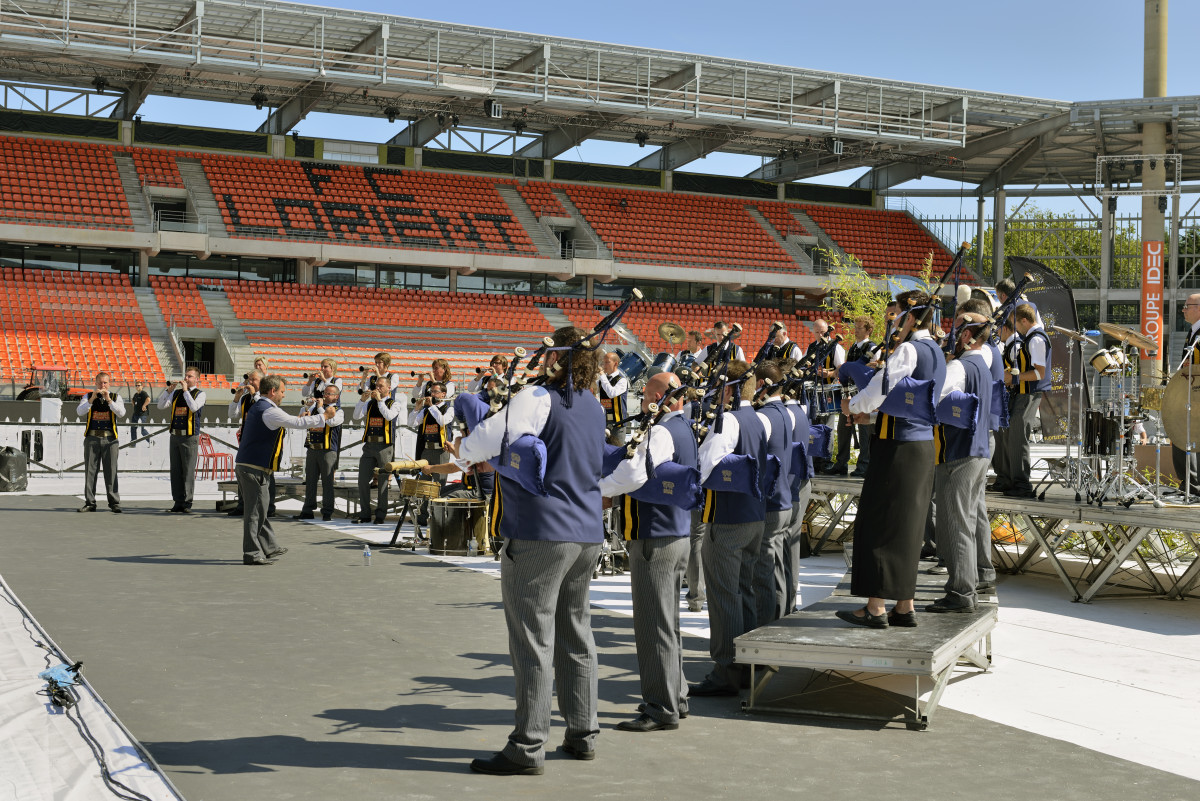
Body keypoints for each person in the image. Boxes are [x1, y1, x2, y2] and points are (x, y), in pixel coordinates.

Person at [454, 326, 605, 776]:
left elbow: (482, 443)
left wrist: (470, 445)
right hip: (587, 532)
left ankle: (528, 746)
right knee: (577, 636)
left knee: (533, 641)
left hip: (541, 532)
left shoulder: (535, 398)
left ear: (553, 356)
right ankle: (583, 733)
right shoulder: (594, 406)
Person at [836, 289, 944, 629]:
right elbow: (910, 402)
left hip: (897, 447)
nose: (893, 321)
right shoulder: (937, 351)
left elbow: (883, 387)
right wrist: (872, 417)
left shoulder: (909, 348)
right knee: (908, 527)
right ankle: (904, 605)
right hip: (921, 445)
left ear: (910, 317)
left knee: (881, 523)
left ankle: (875, 607)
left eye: (898, 314)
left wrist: (853, 407)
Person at [599, 372, 697, 732]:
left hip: (655, 533)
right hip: (674, 531)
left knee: (653, 623)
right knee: (667, 622)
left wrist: (601, 490)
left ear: (658, 395)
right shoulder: (684, 427)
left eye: (646, 395)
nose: (641, 400)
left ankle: (661, 706)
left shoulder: (660, 430)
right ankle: (677, 695)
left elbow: (635, 475)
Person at [688, 360, 770, 697]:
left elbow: (705, 466)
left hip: (728, 516)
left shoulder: (729, 420)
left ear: (730, 390)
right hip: (754, 515)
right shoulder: (760, 419)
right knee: (744, 591)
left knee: (723, 596)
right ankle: (749, 665)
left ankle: (725, 670)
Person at [926, 312, 994, 614]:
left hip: (958, 451)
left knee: (956, 525)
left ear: (966, 336)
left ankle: (961, 592)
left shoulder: (959, 366)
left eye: (957, 331)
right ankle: (966, 587)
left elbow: (932, 399)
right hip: (978, 449)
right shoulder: (984, 361)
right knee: (965, 522)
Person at [236, 375, 336, 565]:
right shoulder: (268, 410)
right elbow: (297, 424)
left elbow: (291, 421)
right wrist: (325, 416)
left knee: (261, 508)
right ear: (273, 391)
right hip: (253, 468)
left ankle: (269, 547)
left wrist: (303, 418)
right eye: (282, 391)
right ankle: (252, 553)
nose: (283, 395)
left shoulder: (263, 407)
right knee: (255, 512)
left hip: (254, 466)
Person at [751, 360, 794, 627]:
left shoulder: (763, 416)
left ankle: (767, 628)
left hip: (770, 502)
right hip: (785, 499)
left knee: (764, 573)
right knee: (779, 569)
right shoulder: (787, 413)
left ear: (760, 385)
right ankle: (782, 621)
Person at [1003, 303, 1050, 499]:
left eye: (1016, 324)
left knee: (1018, 435)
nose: (1015, 329)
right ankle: (1017, 482)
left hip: (1029, 393)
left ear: (1024, 320)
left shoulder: (1036, 339)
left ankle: (1022, 484)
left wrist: (1014, 378)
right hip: (1025, 392)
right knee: (1015, 434)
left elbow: (1040, 372)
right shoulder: (1032, 338)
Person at [827, 316, 877, 477]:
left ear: (869, 330)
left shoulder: (873, 348)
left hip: (863, 393)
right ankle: (841, 462)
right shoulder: (854, 347)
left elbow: (875, 369)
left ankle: (864, 465)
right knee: (843, 427)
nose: (856, 330)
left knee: (864, 430)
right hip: (849, 392)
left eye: (860, 328)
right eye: (855, 327)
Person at [782, 368, 813, 616]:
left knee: (788, 544)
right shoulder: (799, 411)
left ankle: (788, 602)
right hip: (801, 481)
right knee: (790, 543)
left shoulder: (787, 414)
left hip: (794, 484)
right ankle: (789, 600)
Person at [158, 367, 206, 514]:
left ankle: (187, 502)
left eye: (190, 376)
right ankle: (178, 501)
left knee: (188, 470)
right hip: (175, 435)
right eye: (186, 375)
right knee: (176, 470)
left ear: (197, 379)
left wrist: (186, 391)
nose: (186, 378)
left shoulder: (200, 394)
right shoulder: (176, 393)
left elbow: (193, 408)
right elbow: (160, 406)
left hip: (190, 436)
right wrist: (168, 391)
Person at [354, 375, 400, 524]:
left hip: (384, 446)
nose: (377, 388)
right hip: (369, 445)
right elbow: (356, 416)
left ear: (389, 388)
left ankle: (381, 514)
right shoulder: (370, 403)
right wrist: (362, 400)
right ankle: (365, 513)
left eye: (381, 386)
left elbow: (388, 416)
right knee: (362, 480)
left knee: (383, 481)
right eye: (376, 386)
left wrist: (380, 400)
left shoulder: (394, 403)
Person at [77, 372, 125, 513]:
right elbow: (80, 411)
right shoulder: (87, 396)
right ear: (95, 383)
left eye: (105, 383)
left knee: (111, 471)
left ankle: (114, 502)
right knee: (90, 471)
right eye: (100, 383)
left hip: (110, 439)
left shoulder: (116, 397)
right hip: (92, 438)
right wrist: (92, 399)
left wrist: (109, 400)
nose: (102, 385)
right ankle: (90, 502)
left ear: (109, 384)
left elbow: (121, 413)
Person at [409, 380, 455, 525]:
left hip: (441, 451)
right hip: (427, 450)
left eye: (435, 392)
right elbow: (412, 423)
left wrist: (432, 406)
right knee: (423, 485)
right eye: (431, 392)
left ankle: (438, 517)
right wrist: (416, 409)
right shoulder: (426, 409)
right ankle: (421, 517)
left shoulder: (448, 409)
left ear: (443, 394)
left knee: (439, 484)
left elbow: (442, 421)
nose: (432, 394)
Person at [296, 384, 344, 522]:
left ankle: (327, 511)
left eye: (329, 394)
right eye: (325, 393)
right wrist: (309, 407)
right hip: (313, 448)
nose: (325, 395)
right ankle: (307, 509)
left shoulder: (338, 410)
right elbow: (303, 418)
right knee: (310, 481)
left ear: (336, 396)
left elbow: (332, 421)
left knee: (327, 483)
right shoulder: (316, 408)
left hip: (328, 450)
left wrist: (320, 407)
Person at [805, 319, 844, 473]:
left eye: (823, 332)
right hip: (814, 390)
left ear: (828, 331)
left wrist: (828, 373)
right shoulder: (811, 347)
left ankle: (826, 459)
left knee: (827, 425)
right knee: (814, 425)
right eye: (817, 332)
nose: (820, 335)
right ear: (813, 332)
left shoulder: (836, 347)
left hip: (828, 389)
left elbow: (841, 369)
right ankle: (815, 459)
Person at [226, 369, 264, 517]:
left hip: (259, 441)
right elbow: (232, 415)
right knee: (241, 471)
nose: (250, 382)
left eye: (253, 379)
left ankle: (264, 506)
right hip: (246, 439)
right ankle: (242, 504)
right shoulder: (245, 398)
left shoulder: (264, 398)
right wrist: (236, 398)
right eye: (249, 379)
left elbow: (261, 408)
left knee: (259, 475)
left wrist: (255, 393)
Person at [1173, 292, 1200, 493]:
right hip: (1189, 391)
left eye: (1186, 306)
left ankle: (1193, 483)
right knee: (1180, 432)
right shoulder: (1192, 333)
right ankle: (1188, 483)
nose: (1183, 310)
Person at [989, 319, 1020, 492]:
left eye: (998, 328)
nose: (996, 332)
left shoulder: (1014, 345)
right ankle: (1003, 477)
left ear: (1006, 328)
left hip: (1009, 394)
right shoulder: (1008, 344)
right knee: (1001, 439)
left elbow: (1016, 370)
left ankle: (1005, 478)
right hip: (1006, 394)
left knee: (1002, 440)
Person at [596, 351, 629, 439]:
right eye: (603, 362)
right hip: (604, 422)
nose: (604, 365)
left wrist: (602, 375)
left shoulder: (622, 380)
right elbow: (591, 390)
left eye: (607, 362)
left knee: (616, 450)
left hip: (617, 425)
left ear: (615, 364)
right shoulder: (602, 380)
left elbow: (611, 393)